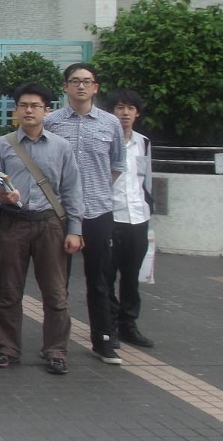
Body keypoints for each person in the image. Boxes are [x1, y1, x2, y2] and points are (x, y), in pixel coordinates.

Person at [0, 83, 84, 375]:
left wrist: (75, 229)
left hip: (49, 224)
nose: (29, 110)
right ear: (16, 110)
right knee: (10, 291)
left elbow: (72, 189)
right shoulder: (2, 145)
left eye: (35, 106)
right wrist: (0, 195)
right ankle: (7, 349)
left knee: (55, 293)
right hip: (13, 223)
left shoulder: (61, 147)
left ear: (47, 110)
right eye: (24, 105)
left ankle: (56, 351)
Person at [44, 62, 125, 364]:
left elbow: (117, 165)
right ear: (65, 87)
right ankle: (55, 344)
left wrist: (94, 190)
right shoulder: (51, 122)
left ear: (96, 87)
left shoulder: (110, 124)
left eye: (87, 81)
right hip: (59, 212)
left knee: (100, 278)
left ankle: (103, 339)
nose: (81, 86)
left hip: (97, 211)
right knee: (57, 282)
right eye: (75, 81)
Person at [106, 89, 155, 348]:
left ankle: (129, 325)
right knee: (107, 276)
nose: (125, 113)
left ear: (137, 113)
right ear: (111, 112)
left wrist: (149, 210)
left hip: (138, 218)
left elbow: (147, 180)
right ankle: (109, 326)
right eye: (120, 108)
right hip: (111, 217)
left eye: (130, 108)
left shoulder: (144, 142)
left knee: (132, 276)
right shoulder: (104, 140)